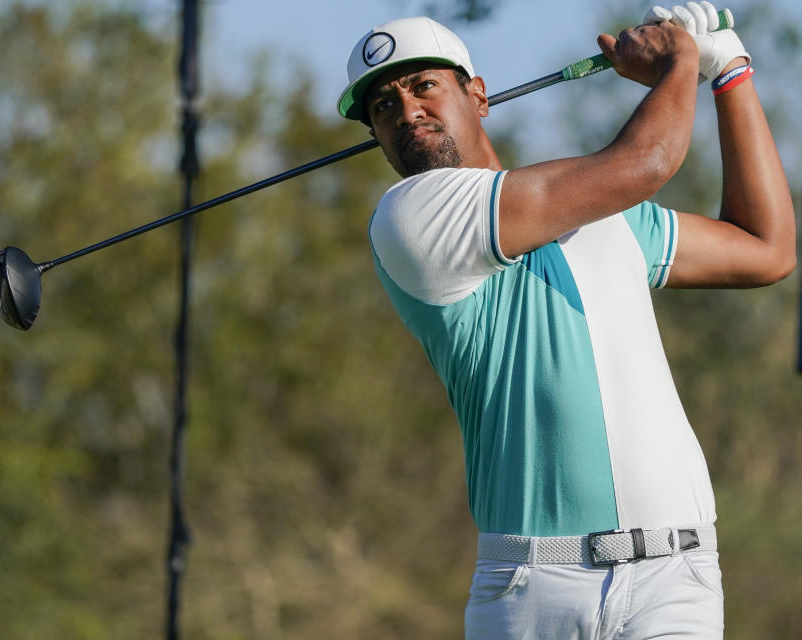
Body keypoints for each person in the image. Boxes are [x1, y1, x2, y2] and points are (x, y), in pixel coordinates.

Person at [337, 4, 795, 639]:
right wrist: (681, 59)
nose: (406, 111)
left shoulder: (597, 211)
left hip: (676, 578)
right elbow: (648, 162)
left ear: (478, 96)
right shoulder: (409, 219)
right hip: (533, 589)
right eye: (383, 107)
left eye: (423, 86)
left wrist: (731, 73)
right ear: (377, 139)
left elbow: (765, 248)